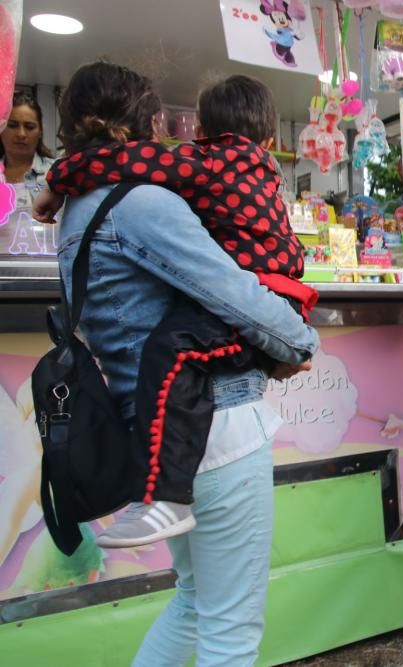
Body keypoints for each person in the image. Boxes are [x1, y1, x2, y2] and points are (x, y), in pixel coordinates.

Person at [53, 61, 318, 666]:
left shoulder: (73, 213)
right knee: (230, 632)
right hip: (215, 429)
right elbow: (235, 293)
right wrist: (301, 341)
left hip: (156, 431)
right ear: (149, 123)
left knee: (196, 602)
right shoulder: (142, 205)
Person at [0, 90, 55, 192]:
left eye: (29, 127)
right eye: (12, 125)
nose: (21, 134)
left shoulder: (56, 173)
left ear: (40, 132)